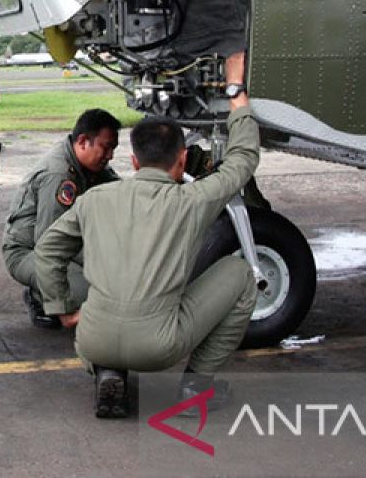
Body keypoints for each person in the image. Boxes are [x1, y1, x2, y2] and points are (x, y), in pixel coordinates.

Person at [35, 52, 258, 418]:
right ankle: (194, 388)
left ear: (134, 162)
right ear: (183, 160)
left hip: (92, 340)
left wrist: (60, 309)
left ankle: (109, 372)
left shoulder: (95, 200)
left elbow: (46, 251)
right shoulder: (192, 199)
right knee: (241, 275)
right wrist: (236, 93)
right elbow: (243, 159)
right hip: (158, 347)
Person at [2, 108, 120, 328]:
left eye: (113, 149)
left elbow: (120, 193)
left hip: (58, 245)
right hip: (29, 251)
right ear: (83, 141)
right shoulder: (59, 175)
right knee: (93, 293)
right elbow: (50, 239)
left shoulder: (88, 165)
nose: (110, 155)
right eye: (106, 147)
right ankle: (41, 298)